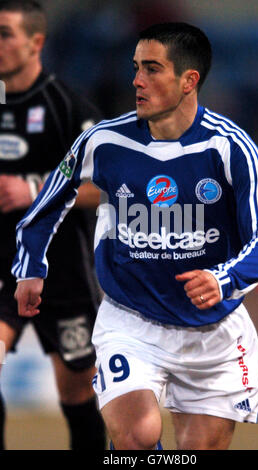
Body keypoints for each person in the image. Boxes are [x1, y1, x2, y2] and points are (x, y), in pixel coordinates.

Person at [12, 22, 258, 450]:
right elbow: (49, 200)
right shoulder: (104, 141)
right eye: (136, 67)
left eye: (152, 69)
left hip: (214, 332)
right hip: (130, 320)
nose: (137, 80)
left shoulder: (231, 148)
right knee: (136, 436)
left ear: (189, 80)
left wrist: (222, 279)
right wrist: (30, 268)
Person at [0, 0, 106, 451]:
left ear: (35, 42)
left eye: (5, 33)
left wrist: (33, 191)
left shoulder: (67, 107)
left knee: (77, 393)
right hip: (3, 266)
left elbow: (106, 186)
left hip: (59, 273)